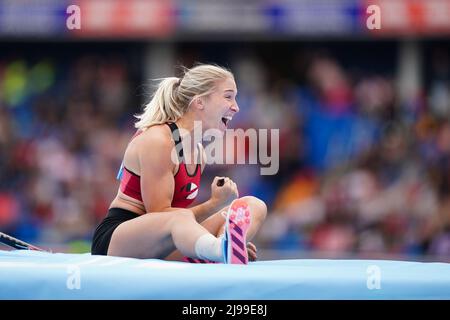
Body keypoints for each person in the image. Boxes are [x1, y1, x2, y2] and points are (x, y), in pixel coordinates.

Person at [91, 64, 267, 264]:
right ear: (199, 102)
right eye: (228, 97)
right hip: (117, 239)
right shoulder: (159, 140)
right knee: (180, 218)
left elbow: (177, 223)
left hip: (164, 242)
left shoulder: (198, 152)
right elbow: (160, 216)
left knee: (254, 205)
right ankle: (218, 250)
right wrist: (214, 204)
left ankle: (222, 248)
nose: (236, 107)